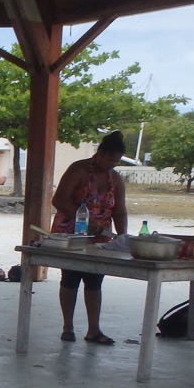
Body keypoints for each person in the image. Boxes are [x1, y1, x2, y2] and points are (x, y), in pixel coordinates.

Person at [51, 130, 129, 346]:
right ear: (100, 153)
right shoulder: (79, 169)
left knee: (95, 280)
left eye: (117, 161)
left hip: (100, 239)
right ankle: (68, 326)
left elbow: (120, 211)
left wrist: (122, 237)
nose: (112, 164)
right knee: (71, 278)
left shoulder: (116, 179)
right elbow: (58, 200)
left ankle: (94, 330)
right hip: (71, 234)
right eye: (110, 159)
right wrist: (82, 217)